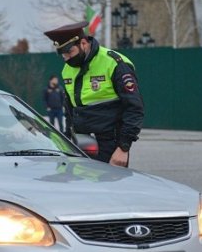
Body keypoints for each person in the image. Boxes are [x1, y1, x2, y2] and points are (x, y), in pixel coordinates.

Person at [43, 20, 144, 167]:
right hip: (80, 144)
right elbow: (70, 108)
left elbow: (135, 108)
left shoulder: (114, 63)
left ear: (83, 43)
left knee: (108, 189)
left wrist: (123, 148)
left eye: (69, 52)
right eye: (62, 55)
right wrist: (67, 140)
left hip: (110, 144)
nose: (66, 58)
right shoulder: (67, 69)